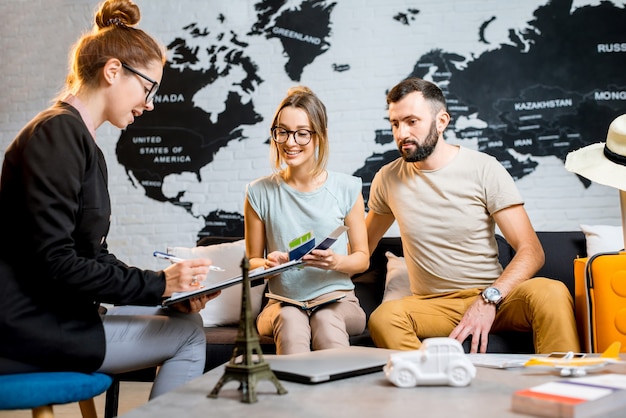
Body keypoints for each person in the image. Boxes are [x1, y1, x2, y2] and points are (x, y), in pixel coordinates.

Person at [0, 0, 220, 398]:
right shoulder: (58, 135)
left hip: (54, 315)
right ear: (113, 71)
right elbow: (56, 263)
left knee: (180, 318)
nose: (150, 102)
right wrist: (156, 284)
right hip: (33, 326)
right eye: (148, 87)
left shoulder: (79, 140)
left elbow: (90, 256)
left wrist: (169, 290)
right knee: (188, 337)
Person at [365, 77, 580, 354]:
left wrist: (488, 300)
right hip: (434, 306)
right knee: (384, 318)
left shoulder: (484, 169)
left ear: (441, 121)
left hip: (497, 298)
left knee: (551, 292)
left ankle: (564, 386)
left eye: (411, 121)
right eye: (395, 124)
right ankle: (432, 379)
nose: (401, 133)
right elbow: (361, 249)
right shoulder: (387, 178)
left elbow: (532, 251)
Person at [244, 86, 369, 354]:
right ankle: (294, 396)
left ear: (319, 136)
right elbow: (251, 262)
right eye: (283, 131)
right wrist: (267, 264)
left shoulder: (347, 188)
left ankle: (337, 392)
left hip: (338, 300)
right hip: (281, 302)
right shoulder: (258, 192)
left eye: (302, 133)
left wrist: (336, 261)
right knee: (290, 322)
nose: (290, 142)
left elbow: (362, 257)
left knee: (326, 320)